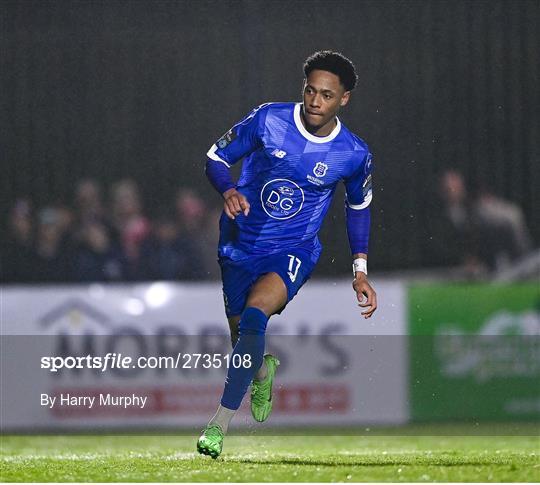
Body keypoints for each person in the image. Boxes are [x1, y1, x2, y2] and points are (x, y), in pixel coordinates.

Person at [197, 51, 377, 458]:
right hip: (239, 244)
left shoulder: (353, 154)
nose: (316, 101)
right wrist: (227, 189)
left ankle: (218, 425)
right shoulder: (268, 119)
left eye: (327, 95)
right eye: (311, 90)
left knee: (257, 315)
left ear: (343, 99)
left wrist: (360, 270)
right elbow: (215, 157)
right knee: (242, 335)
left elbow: (358, 208)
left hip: (292, 250)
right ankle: (262, 370)